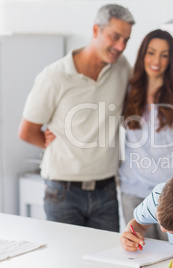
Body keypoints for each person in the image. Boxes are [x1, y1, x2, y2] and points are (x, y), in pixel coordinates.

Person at [18, 4, 135, 231]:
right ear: (95, 30)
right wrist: (46, 141)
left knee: (104, 263)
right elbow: (26, 131)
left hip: (107, 190)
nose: (120, 46)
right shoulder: (55, 76)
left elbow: (138, 106)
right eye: (115, 37)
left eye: (126, 40)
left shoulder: (121, 68)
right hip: (63, 192)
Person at [119, 29, 173, 239]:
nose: (157, 60)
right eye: (151, 52)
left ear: (171, 60)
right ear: (142, 55)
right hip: (133, 190)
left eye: (164, 55)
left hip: (171, 194)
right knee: (139, 254)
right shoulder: (127, 92)